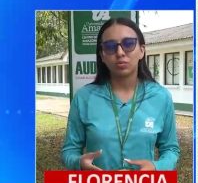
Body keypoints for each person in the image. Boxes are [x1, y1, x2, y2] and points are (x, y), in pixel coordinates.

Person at [62, 18, 180, 171]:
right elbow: (69, 150)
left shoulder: (161, 97)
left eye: (129, 44)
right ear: (102, 55)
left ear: (142, 51)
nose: (120, 52)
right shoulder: (84, 98)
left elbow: (171, 149)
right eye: (110, 46)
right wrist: (79, 163)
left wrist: (156, 167)